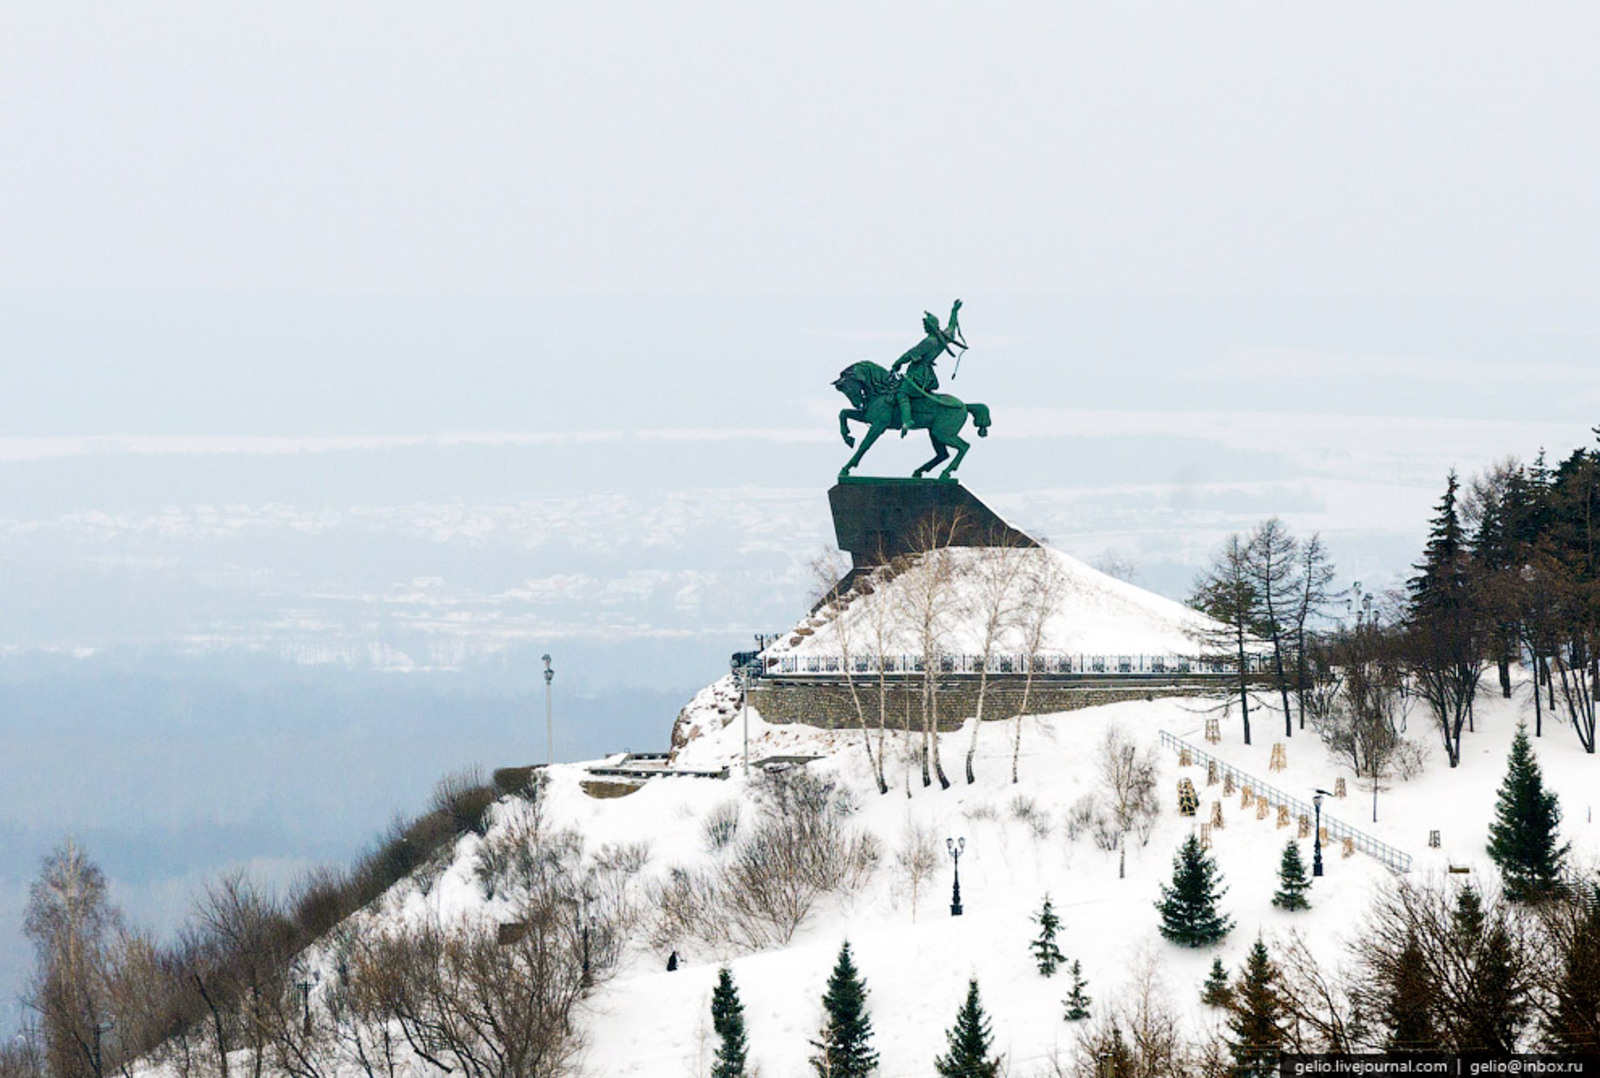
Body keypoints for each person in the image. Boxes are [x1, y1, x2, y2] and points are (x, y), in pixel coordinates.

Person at [889, 300, 965, 435]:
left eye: (925, 325)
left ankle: (907, 420)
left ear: (930, 326)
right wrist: (954, 312)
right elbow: (951, 327)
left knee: (902, 393)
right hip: (928, 374)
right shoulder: (943, 338)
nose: (924, 327)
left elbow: (910, 354)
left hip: (919, 373)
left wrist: (897, 363)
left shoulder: (929, 341)